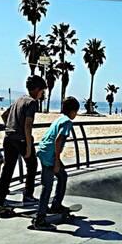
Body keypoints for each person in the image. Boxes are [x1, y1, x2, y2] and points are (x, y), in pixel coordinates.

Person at [0, 75, 47, 213]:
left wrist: (10, 126)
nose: (42, 94)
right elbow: (28, 125)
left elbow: (4, 115)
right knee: (32, 165)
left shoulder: (19, 99)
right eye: (42, 91)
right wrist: (28, 146)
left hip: (9, 137)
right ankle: (28, 195)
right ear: (37, 90)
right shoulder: (32, 102)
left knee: (8, 169)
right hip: (21, 139)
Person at [33, 96, 80, 230]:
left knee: (62, 176)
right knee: (47, 186)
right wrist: (57, 161)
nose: (76, 115)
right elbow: (59, 140)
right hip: (50, 156)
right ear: (72, 111)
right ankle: (40, 219)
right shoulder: (67, 122)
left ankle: (56, 205)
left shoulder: (59, 119)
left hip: (43, 151)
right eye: (76, 112)